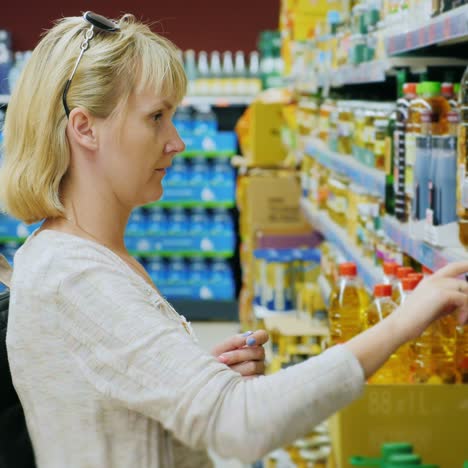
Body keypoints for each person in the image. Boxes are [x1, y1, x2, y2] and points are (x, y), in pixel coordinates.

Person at [0, 11, 467, 468]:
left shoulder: (89, 255)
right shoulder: (73, 275)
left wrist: (191, 376)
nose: (176, 141)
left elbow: (107, 411)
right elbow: (239, 424)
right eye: (156, 117)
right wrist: (406, 320)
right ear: (85, 129)